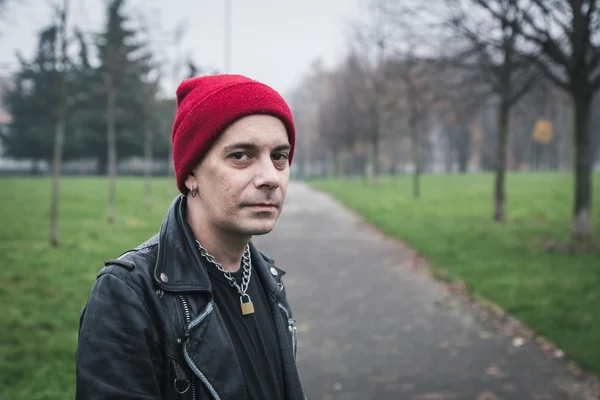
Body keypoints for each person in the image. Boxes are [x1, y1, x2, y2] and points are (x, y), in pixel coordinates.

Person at [75, 74, 306, 400]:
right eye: (241, 155)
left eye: (279, 156)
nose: (270, 177)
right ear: (191, 174)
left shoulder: (268, 278)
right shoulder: (129, 293)